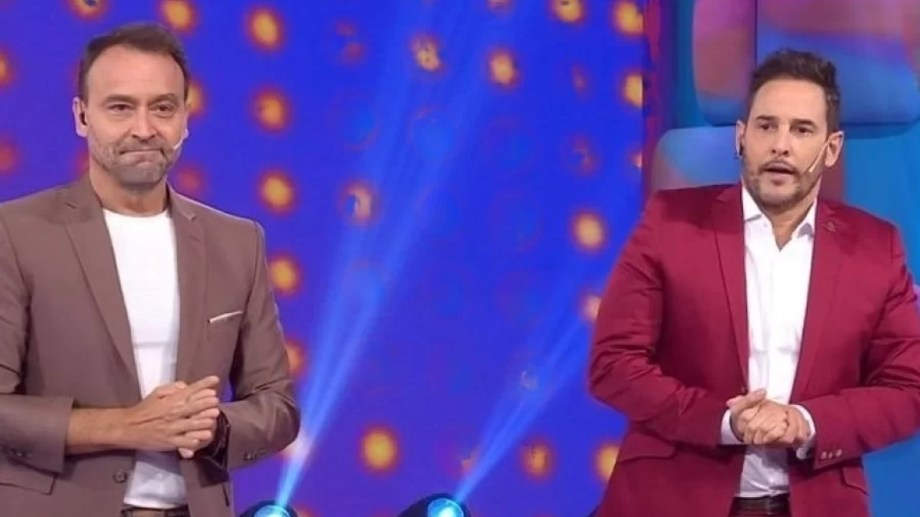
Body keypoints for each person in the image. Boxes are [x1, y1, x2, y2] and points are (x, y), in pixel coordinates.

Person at [588, 48, 920, 517]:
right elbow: (614, 363)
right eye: (767, 126)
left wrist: (805, 422)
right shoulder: (670, 222)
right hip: (672, 497)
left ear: (831, 148)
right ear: (741, 137)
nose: (781, 145)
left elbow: (908, 388)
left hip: (815, 502)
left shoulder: (876, 248)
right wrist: (724, 421)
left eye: (801, 129)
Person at [0, 22, 300, 517]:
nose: (144, 129)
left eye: (163, 107)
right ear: (82, 116)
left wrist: (215, 428)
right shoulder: (16, 233)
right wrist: (127, 426)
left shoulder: (237, 241)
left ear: (185, 117)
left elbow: (277, 406)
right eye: (120, 107)